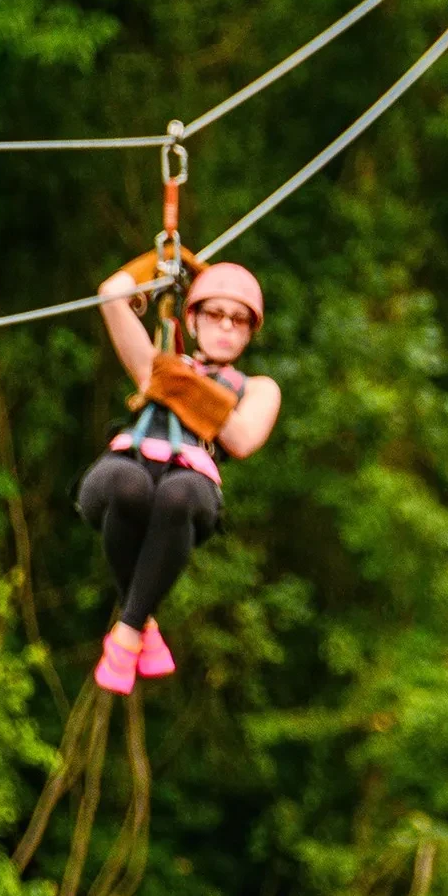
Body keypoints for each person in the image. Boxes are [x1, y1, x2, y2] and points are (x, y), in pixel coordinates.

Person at [77, 253, 282, 694]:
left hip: (190, 485)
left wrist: (180, 384)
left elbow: (243, 437)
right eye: (215, 314)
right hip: (129, 464)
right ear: (193, 319)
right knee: (127, 486)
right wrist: (164, 256)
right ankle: (139, 624)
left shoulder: (256, 387)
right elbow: (111, 296)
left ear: (250, 332)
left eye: (239, 320)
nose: (226, 327)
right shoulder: (158, 365)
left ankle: (128, 629)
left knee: (179, 493)